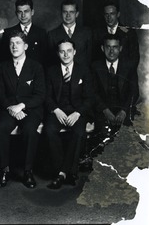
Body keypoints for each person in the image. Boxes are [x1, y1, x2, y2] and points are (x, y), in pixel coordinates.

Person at [0, 30, 45, 189]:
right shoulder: (2, 67)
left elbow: (40, 94)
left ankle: (27, 171)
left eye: (18, 43)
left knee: (30, 129)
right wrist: (11, 108)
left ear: (26, 46)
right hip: (9, 109)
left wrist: (22, 106)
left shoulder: (36, 67)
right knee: (1, 127)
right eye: (11, 43)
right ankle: (4, 170)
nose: (14, 46)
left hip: (30, 109)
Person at [45, 39, 94, 189]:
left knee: (79, 132)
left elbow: (90, 97)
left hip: (76, 112)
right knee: (49, 130)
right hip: (58, 111)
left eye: (69, 51)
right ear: (57, 53)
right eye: (62, 51)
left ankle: (63, 173)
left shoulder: (84, 70)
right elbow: (46, 96)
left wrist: (78, 113)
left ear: (74, 52)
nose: (65, 54)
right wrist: (56, 110)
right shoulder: (51, 71)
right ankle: (66, 171)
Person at [92, 2, 140, 118]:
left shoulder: (128, 32)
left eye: (112, 14)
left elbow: (134, 57)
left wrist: (126, 72)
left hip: (124, 78)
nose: (109, 17)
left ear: (118, 14)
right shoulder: (97, 33)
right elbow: (93, 56)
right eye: (106, 14)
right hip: (103, 79)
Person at [91, 34, 137, 141]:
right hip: (102, 110)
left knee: (127, 139)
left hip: (124, 110)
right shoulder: (95, 66)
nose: (111, 51)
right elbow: (93, 92)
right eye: (108, 47)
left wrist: (124, 111)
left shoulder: (129, 66)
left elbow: (134, 91)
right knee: (102, 139)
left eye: (115, 47)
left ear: (120, 49)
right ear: (103, 48)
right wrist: (105, 110)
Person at [0, 0, 48, 66]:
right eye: (20, 12)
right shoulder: (8, 33)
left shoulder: (42, 33)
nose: (23, 15)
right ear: (16, 13)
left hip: (35, 74)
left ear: (32, 12)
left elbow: (46, 60)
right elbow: (4, 60)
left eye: (26, 11)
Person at [48, 0, 92, 67]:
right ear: (61, 13)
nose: (68, 15)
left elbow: (90, 58)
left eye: (71, 12)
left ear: (77, 14)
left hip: (82, 75)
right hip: (60, 75)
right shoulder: (52, 34)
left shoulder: (87, 32)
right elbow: (51, 61)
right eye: (65, 12)